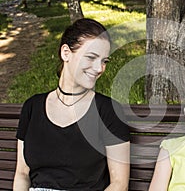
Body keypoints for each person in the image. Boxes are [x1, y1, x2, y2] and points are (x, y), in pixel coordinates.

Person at [13, 18, 130, 191]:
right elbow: (22, 173)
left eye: (104, 61)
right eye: (91, 57)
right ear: (66, 53)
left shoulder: (108, 111)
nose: (99, 68)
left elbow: (119, 184)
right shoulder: (33, 107)